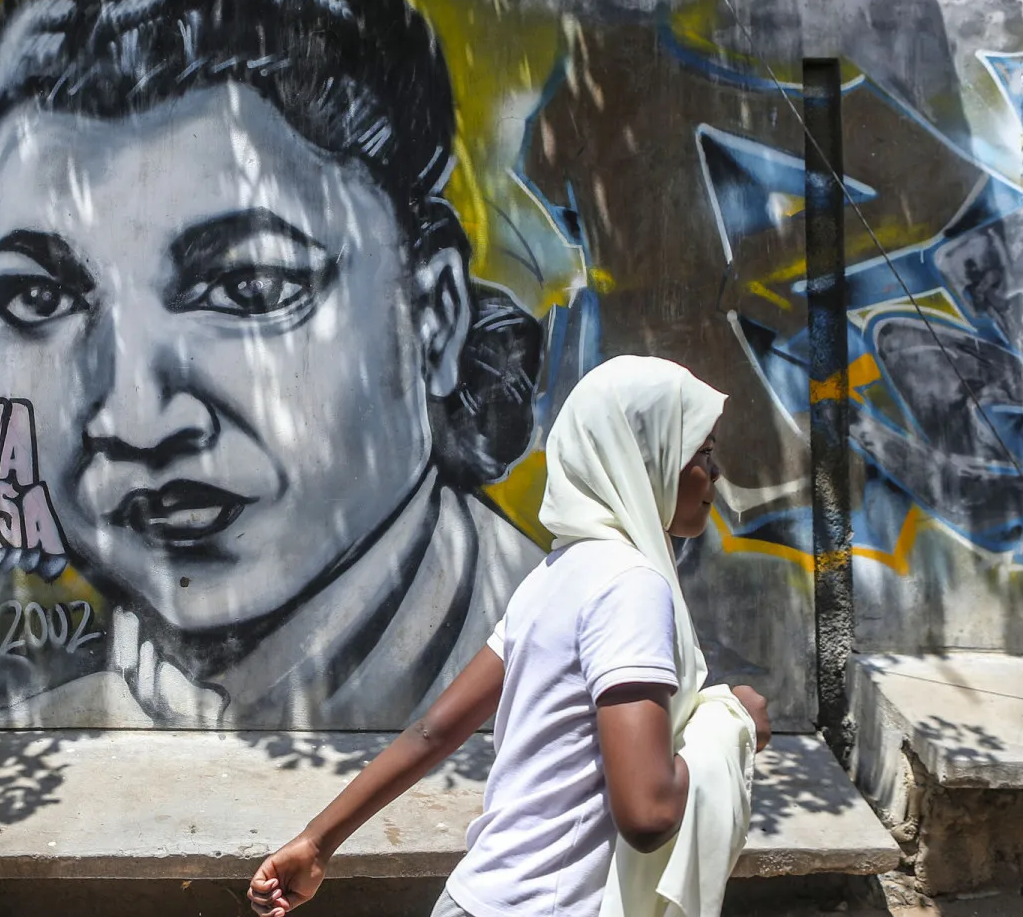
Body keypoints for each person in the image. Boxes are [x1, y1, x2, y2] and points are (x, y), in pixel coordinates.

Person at [0, 0, 547, 729]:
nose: (136, 419)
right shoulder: (49, 728)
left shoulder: (562, 680)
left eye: (250, 287)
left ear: (433, 317)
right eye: (38, 299)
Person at [248, 356, 772, 917]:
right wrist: (733, 726)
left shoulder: (555, 575)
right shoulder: (631, 586)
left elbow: (431, 732)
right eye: (702, 452)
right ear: (646, 457)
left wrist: (317, 841)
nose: (715, 473)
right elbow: (648, 814)